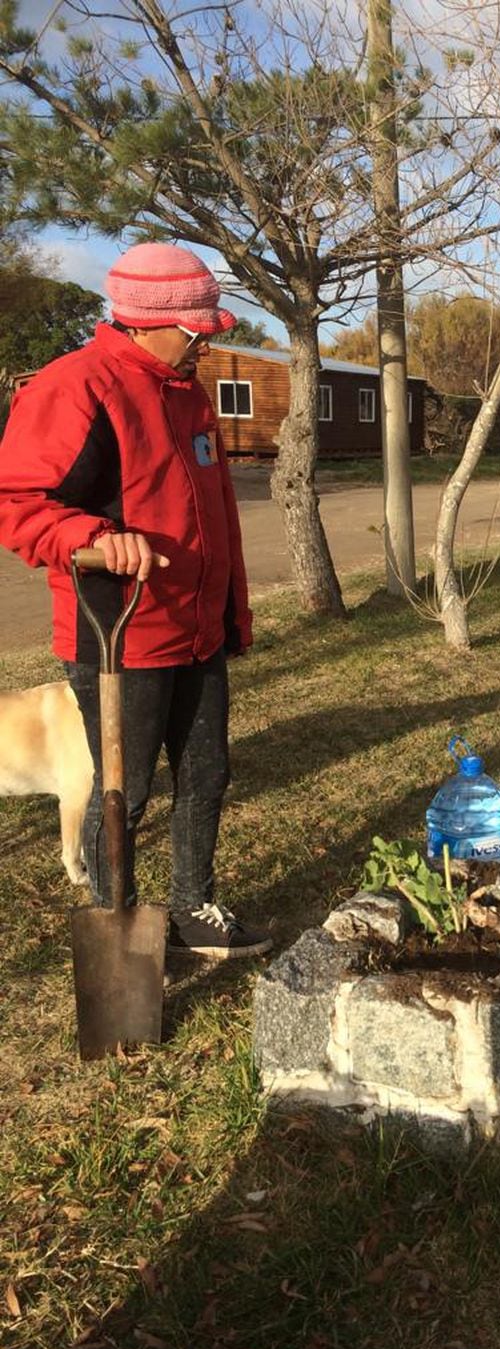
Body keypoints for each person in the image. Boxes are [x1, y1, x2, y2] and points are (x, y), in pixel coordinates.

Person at [0, 242, 272, 960]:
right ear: (142, 321)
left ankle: (193, 910)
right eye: (197, 331)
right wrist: (93, 535)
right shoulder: (74, 387)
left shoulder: (184, 392)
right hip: (120, 634)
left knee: (207, 771)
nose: (206, 345)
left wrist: (230, 614)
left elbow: (211, 514)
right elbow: (19, 503)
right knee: (124, 792)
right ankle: (115, 926)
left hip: (196, 627)